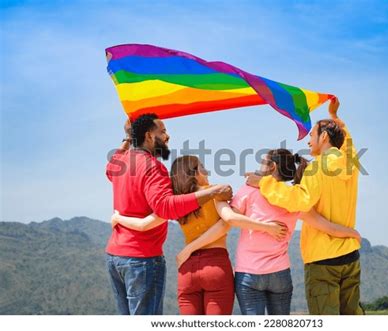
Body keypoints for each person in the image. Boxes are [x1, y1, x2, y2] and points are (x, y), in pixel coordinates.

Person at [111, 155, 288, 315]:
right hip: (215, 267)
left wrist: (119, 218)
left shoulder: (176, 202)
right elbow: (227, 221)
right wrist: (268, 226)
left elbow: (143, 225)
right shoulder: (214, 192)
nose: (206, 171)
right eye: (202, 167)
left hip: (187, 270)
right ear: (195, 173)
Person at [246, 98, 364, 315]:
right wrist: (336, 117)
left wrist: (263, 182)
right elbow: (348, 142)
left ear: (324, 136)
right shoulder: (351, 162)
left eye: (311, 135)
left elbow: (299, 200)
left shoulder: (317, 168)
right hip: (351, 256)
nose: (308, 141)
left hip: (323, 260)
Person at [105, 113, 232, 315]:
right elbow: (165, 207)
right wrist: (211, 192)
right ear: (148, 136)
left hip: (115, 257)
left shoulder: (120, 162)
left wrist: (128, 139)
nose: (167, 136)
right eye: (162, 131)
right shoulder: (154, 168)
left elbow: (109, 170)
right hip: (142, 259)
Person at [231, 148, 361, 315]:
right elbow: (327, 226)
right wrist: (352, 233)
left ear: (272, 167)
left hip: (249, 272)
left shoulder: (248, 190)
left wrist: (216, 197)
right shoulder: (294, 199)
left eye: (262, 162)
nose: (258, 167)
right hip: (280, 273)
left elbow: (230, 218)